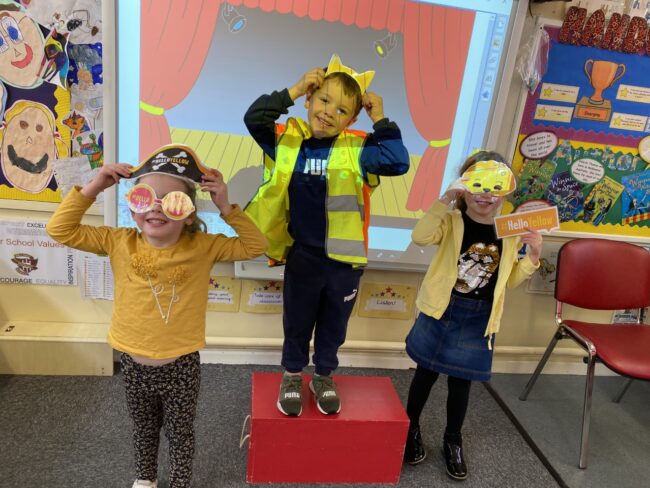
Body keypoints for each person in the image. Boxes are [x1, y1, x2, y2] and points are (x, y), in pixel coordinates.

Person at [46, 145, 267, 488]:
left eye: (173, 201)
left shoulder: (203, 247)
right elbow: (59, 229)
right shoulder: (118, 241)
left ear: (189, 214)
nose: (157, 207)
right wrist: (95, 185)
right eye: (145, 197)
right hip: (133, 365)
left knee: (180, 432)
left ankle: (179, 481)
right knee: (144, 428)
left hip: (181, 365)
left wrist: (225, 206)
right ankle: (145, 478)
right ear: (133, 209)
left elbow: (256, 246)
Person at [244, 54, 410, 416]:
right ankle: (292, 375)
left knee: (333, 327)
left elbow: (398, 160)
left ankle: (322, 376)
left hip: (344, 265)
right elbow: (254, 118)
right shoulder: (288, 141)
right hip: (303, 256)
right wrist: (293, 89)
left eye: (341, 110)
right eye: (323, 100)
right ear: (309, 99)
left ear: (352, 119)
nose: (328, 112)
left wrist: (380, 118)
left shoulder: (360, 149)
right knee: (297, 322)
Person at [402, 150, 542, 481]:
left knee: (461, 382)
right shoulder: (452, 220)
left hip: (479, 317)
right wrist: (444, 200)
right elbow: (420, 237)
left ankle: (453, 439)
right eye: (478, 185)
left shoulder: (509, 230)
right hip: (442, 309)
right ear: (465, 187)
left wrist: (533, 256)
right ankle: (410, 427)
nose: (486, 195)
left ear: (506, 191)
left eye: (495, 187)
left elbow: (508, 280)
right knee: (425, 374)